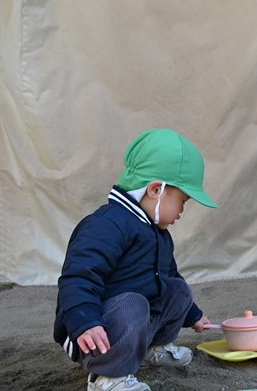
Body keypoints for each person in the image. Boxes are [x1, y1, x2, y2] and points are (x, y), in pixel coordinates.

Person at [53, 128, 218, 390]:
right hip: (93, 334)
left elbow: (167, 276)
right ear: (156, 190)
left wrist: (193, 315)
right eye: (182, 201)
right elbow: (79, 276)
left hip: (133, 326)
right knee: (133, 303)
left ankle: (153, 348)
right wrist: (85, 321)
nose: (182, 210)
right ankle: (106, 376)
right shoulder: (107, 225)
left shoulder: (157, 234)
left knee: (177, 288)